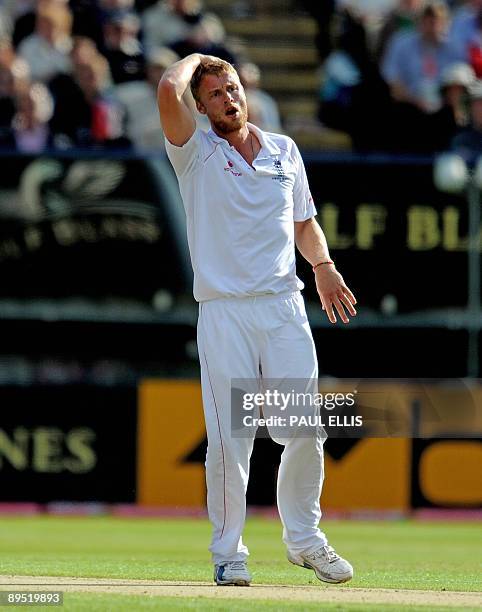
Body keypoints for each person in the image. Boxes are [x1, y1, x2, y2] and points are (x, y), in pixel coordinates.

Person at [157, 53, 357, 587]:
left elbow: (305, 222)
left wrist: (323, 265)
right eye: (216, 93)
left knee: (307, 427)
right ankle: (229, 553)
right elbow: (165, 89)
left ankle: (305, 540)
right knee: (230, 439)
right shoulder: (194, 152)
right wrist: (198, 58)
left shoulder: (284, 151)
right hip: (225, 311)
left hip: (284, 307)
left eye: (234, 88)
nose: (229, 98)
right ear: (200, 106)